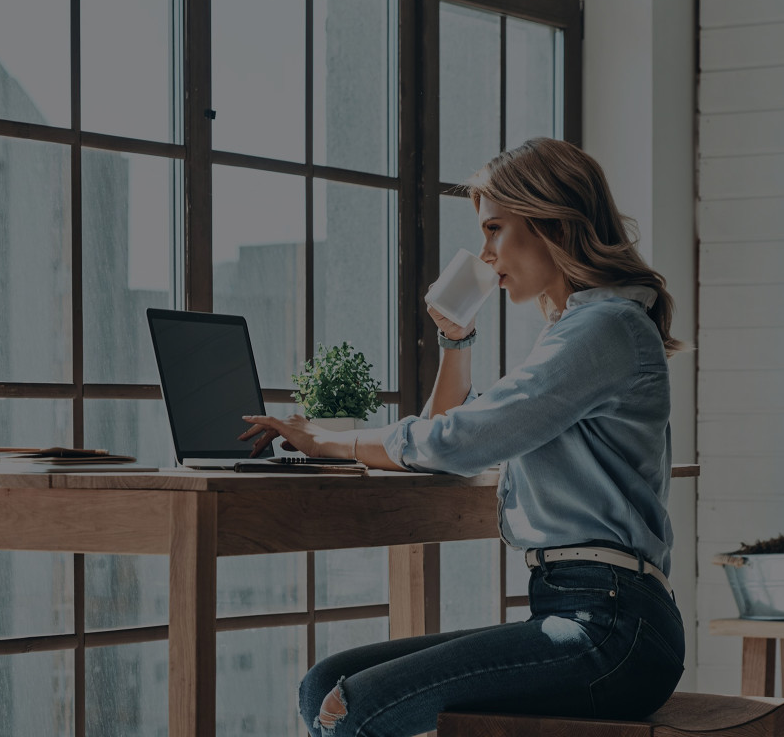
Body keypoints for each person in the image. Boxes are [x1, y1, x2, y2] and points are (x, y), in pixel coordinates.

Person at [238, 137, 684, 737]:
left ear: (551, 220)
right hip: (575, 609)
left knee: (353, 706)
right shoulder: (579, 330)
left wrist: (328, 440)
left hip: (611, 625)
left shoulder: (605, 327)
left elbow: (456, 442)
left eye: (495, 229)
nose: (486, 253)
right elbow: (449, 443)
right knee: (326, 684)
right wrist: (456, 342)